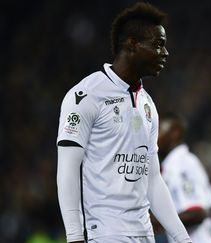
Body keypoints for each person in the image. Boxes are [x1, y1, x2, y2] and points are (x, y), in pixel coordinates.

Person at [56, 3, 191, 243]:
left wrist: (183, 238)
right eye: (158, 44)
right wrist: (75, 236)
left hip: (144, 234)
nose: (165, 52)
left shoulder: (148, 104)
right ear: (132, 44)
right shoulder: (86, 96)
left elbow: (152, 179)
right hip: (106, 233)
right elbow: (67, 169)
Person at [154, 112, 211, 243]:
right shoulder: (183, 162)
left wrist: (155, 222)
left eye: (158, 129)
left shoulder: (180, 165)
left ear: (175, 133)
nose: (154, 136)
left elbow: (196, 213)